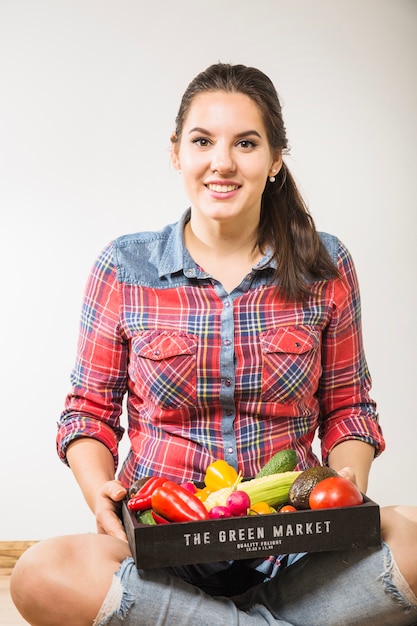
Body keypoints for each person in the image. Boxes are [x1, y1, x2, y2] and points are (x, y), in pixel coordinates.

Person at [10, 63, 417, 626]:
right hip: (161, 549)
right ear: (176, 152)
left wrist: (345, 485)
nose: (222, 162)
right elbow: (87, 412)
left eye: (246, 143)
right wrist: (98, 489)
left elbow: (348, 407)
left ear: (275, 159)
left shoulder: (326, 265)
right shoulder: (125, 267)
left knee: (415, 536)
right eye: (203, 141)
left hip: (296, 544)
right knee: (39, 573)